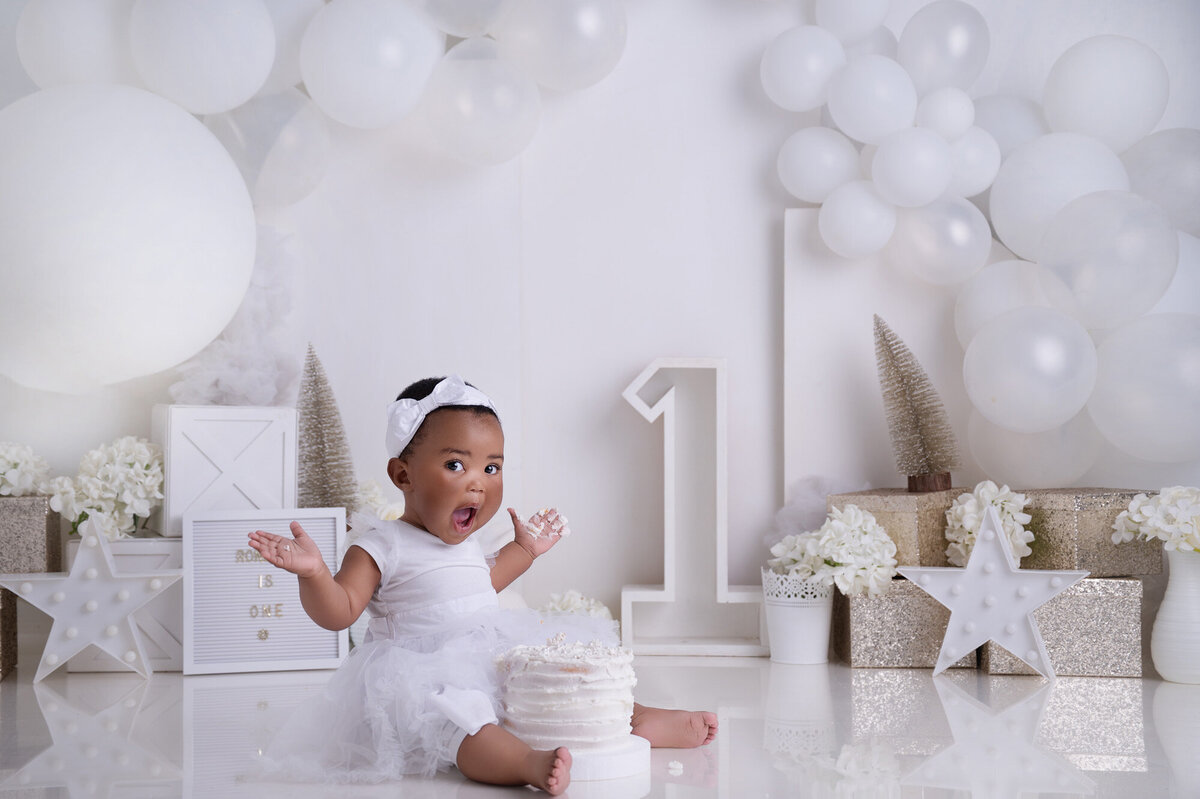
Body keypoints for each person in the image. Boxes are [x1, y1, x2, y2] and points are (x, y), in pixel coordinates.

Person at [248, 375, 717, 795]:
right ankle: (525, 764)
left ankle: (636, 716)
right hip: (425, 674)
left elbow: (484, 585)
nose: (478, 484)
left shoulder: (466, 541)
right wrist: (313, 574)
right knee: (461, 723)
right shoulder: (382, 544)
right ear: (402, 475)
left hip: (489, 649)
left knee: (557, 680)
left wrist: (526, 550)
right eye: (456, 465)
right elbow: (340, 611)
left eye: (492, 468)